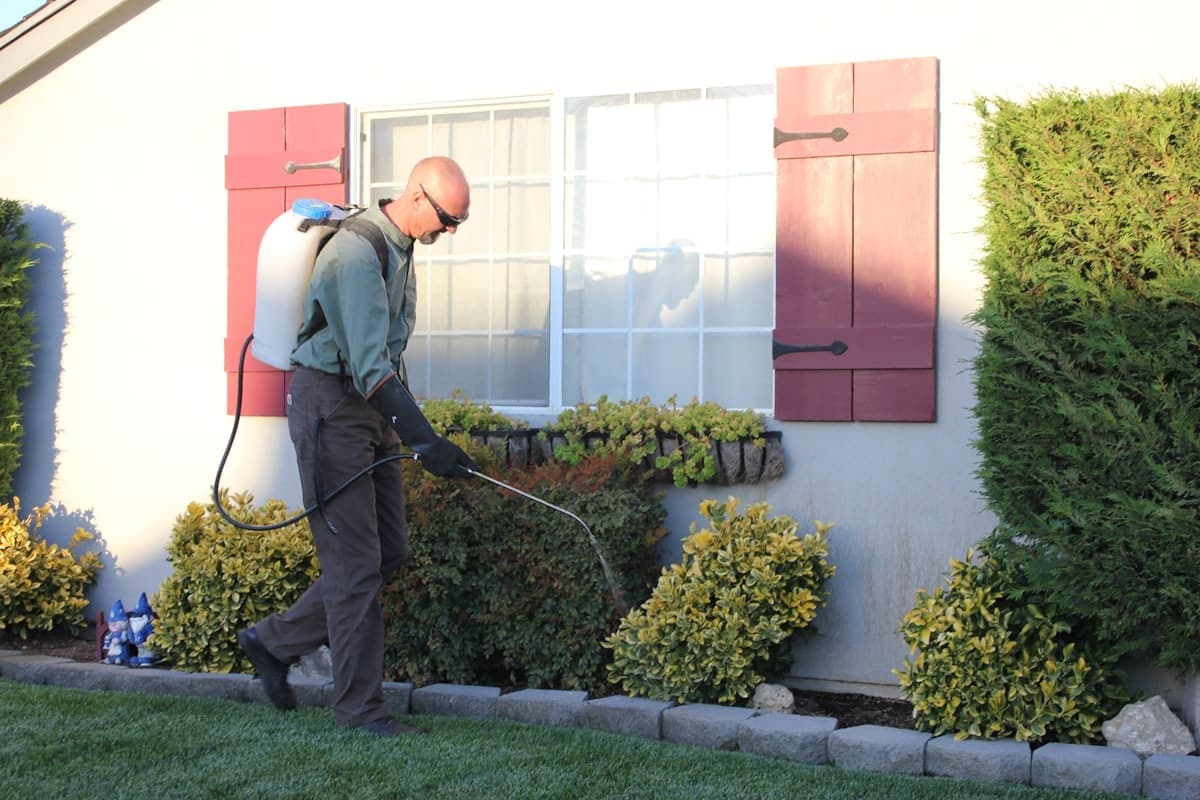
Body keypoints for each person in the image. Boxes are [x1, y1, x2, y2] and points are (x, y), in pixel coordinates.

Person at [237, 156, 478, 737]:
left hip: (367, 414)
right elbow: (370, 368)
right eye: (447, 220)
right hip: (331, 412)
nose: (449, 233)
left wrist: (415, 433)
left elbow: (386, 355)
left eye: (457, 225)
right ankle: (361, 711)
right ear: (418, 196)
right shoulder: (354, 255)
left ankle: (272, 642)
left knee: (387, 551)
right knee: (353, 571)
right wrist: (427, 442)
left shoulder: (401, 248)